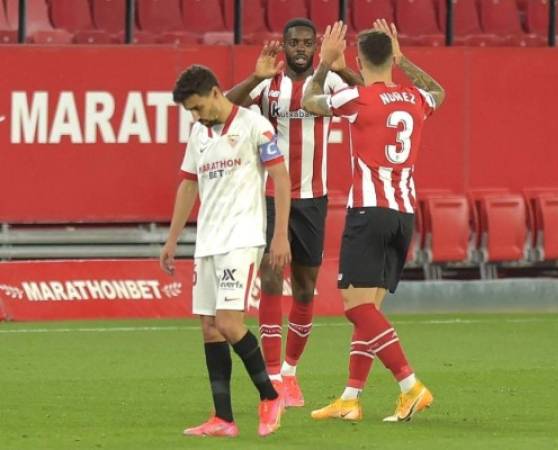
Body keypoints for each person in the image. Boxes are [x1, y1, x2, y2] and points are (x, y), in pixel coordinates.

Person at [301, 19, 446, 422]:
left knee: (354, 306)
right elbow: (440, 92)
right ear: (392, 56)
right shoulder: (415, 97)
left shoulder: (356, 99)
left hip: (369, 211)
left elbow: (310, 101)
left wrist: (326, 64)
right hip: (403, 214)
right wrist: (407, 61)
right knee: (371, 308)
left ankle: (409, 384)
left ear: (360, 59)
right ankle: (350, 397)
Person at [226, 17, 362, 407]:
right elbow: (225, 108)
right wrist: (254, 77)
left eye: (306, 43)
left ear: (315, 47)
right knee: (270, 278)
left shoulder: (330, 83)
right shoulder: (269, 83)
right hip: (268, 195)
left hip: (313, 200)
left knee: (304, 288)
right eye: (294, 43)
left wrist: (342, 68)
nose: (300, 49)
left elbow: (374, 98)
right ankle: (271, 377)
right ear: (283, 47)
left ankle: (290, 374)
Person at [160, 64, 292, 437]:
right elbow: (188, 186)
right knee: (209, 328)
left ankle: (271, 395)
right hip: (208, 242)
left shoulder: (253, 125)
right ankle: (223, 419)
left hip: (242, 237)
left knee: (229, 323)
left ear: (216, 92)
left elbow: (280, 178)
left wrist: (279, 234)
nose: (196, 115)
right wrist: (172, 240)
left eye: (198, 107)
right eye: (190, 111)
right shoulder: (198, 135)